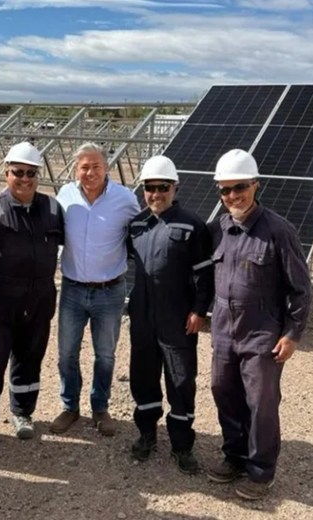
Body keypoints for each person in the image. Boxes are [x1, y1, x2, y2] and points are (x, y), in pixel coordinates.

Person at [205, 149, 311, 500]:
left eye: (240, 187)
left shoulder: (279, 231)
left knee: (261, 403)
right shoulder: (217, 229)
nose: (233, 196)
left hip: (261, 333)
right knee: (224, 394)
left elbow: (300, 288)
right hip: (223, 331)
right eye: (225, 190)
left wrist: (292, 333)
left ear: (255, 186)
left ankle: (260, 472)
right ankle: (233, 456)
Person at [0, 141, 65, 456]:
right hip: (0, 301)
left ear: (38, 175)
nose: (25, 178)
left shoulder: (53, 209)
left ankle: (22, 412)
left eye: (31, 173)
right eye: (18, 172)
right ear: (6, 173)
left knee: (30, 359)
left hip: (40, 297)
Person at [126, 156, 213, 474]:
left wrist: (199, 310)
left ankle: (182, 445)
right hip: (143, 319)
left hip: (178, 319)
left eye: (163, 187)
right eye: (150, 188)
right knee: (143, 377)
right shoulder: (136, 224)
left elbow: (205, 275)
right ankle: (146, 434)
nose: (156, 194)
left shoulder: (192, 225)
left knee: (180, 381)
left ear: (175, 187)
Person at [51, 142, 140, 436]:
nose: (90, 172)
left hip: (110, 290)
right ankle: (70, 406)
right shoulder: (65, 196)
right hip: (73, 289)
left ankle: (100, 408)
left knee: (105, 354)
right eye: (84, 167)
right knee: (66, 353)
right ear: (77, 169)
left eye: (96, 166)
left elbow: (141, 231)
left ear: (106, 168)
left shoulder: (124, 199)